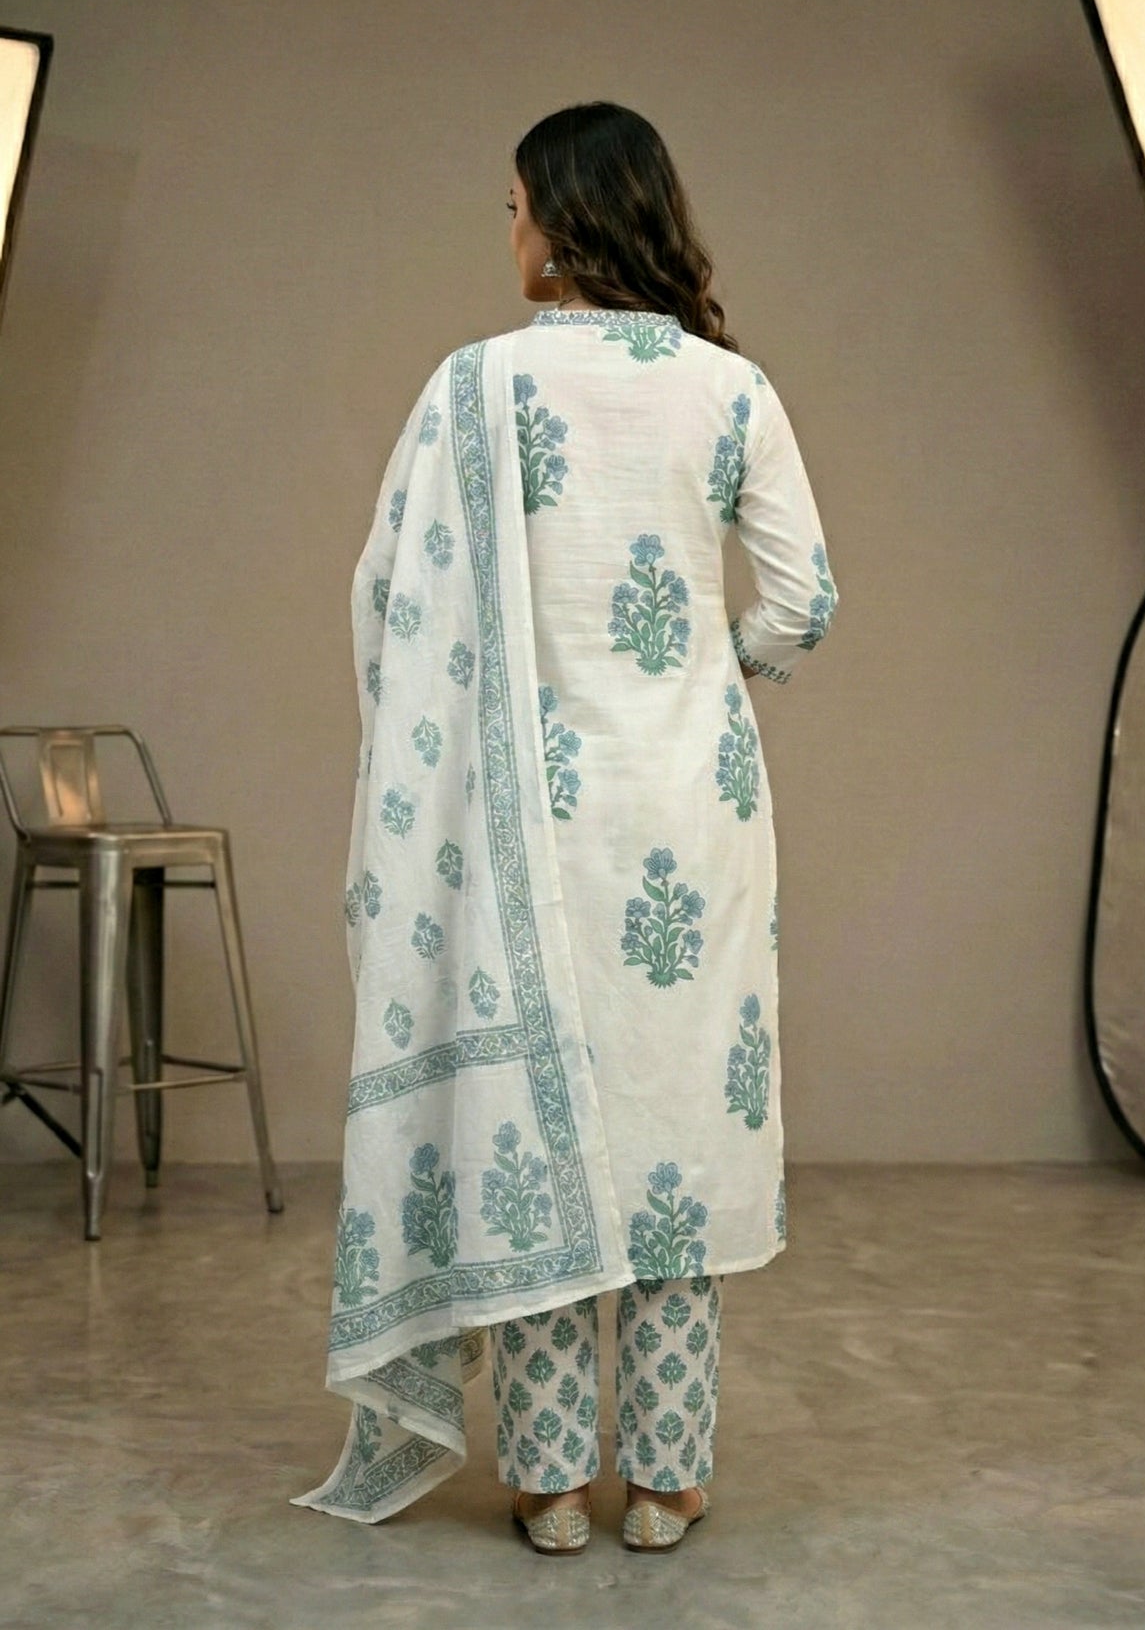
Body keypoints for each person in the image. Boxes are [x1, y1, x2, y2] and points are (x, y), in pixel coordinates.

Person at [290, 102, 838, 1555]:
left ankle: (544, 1482)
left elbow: (388, 593)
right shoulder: (732, 389)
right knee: (672, 1123)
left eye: (516, 205)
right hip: (693, 811)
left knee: (531, 1123)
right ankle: (664, 1479)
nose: (511, 229)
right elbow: (805, 600)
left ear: (564, 220)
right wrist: (715, 669)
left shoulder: (475, 386)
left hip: (524, 815)